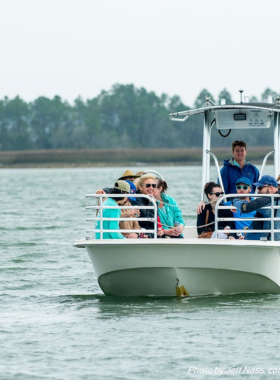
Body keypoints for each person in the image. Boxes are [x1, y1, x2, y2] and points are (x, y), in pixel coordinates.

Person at [232, 175, 280, 241]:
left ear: (271, 188)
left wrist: (234, 201)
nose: (258, 191)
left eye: (260, 188)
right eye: (257, 189)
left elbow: (245, 208)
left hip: (267, 242)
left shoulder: (266, 200)